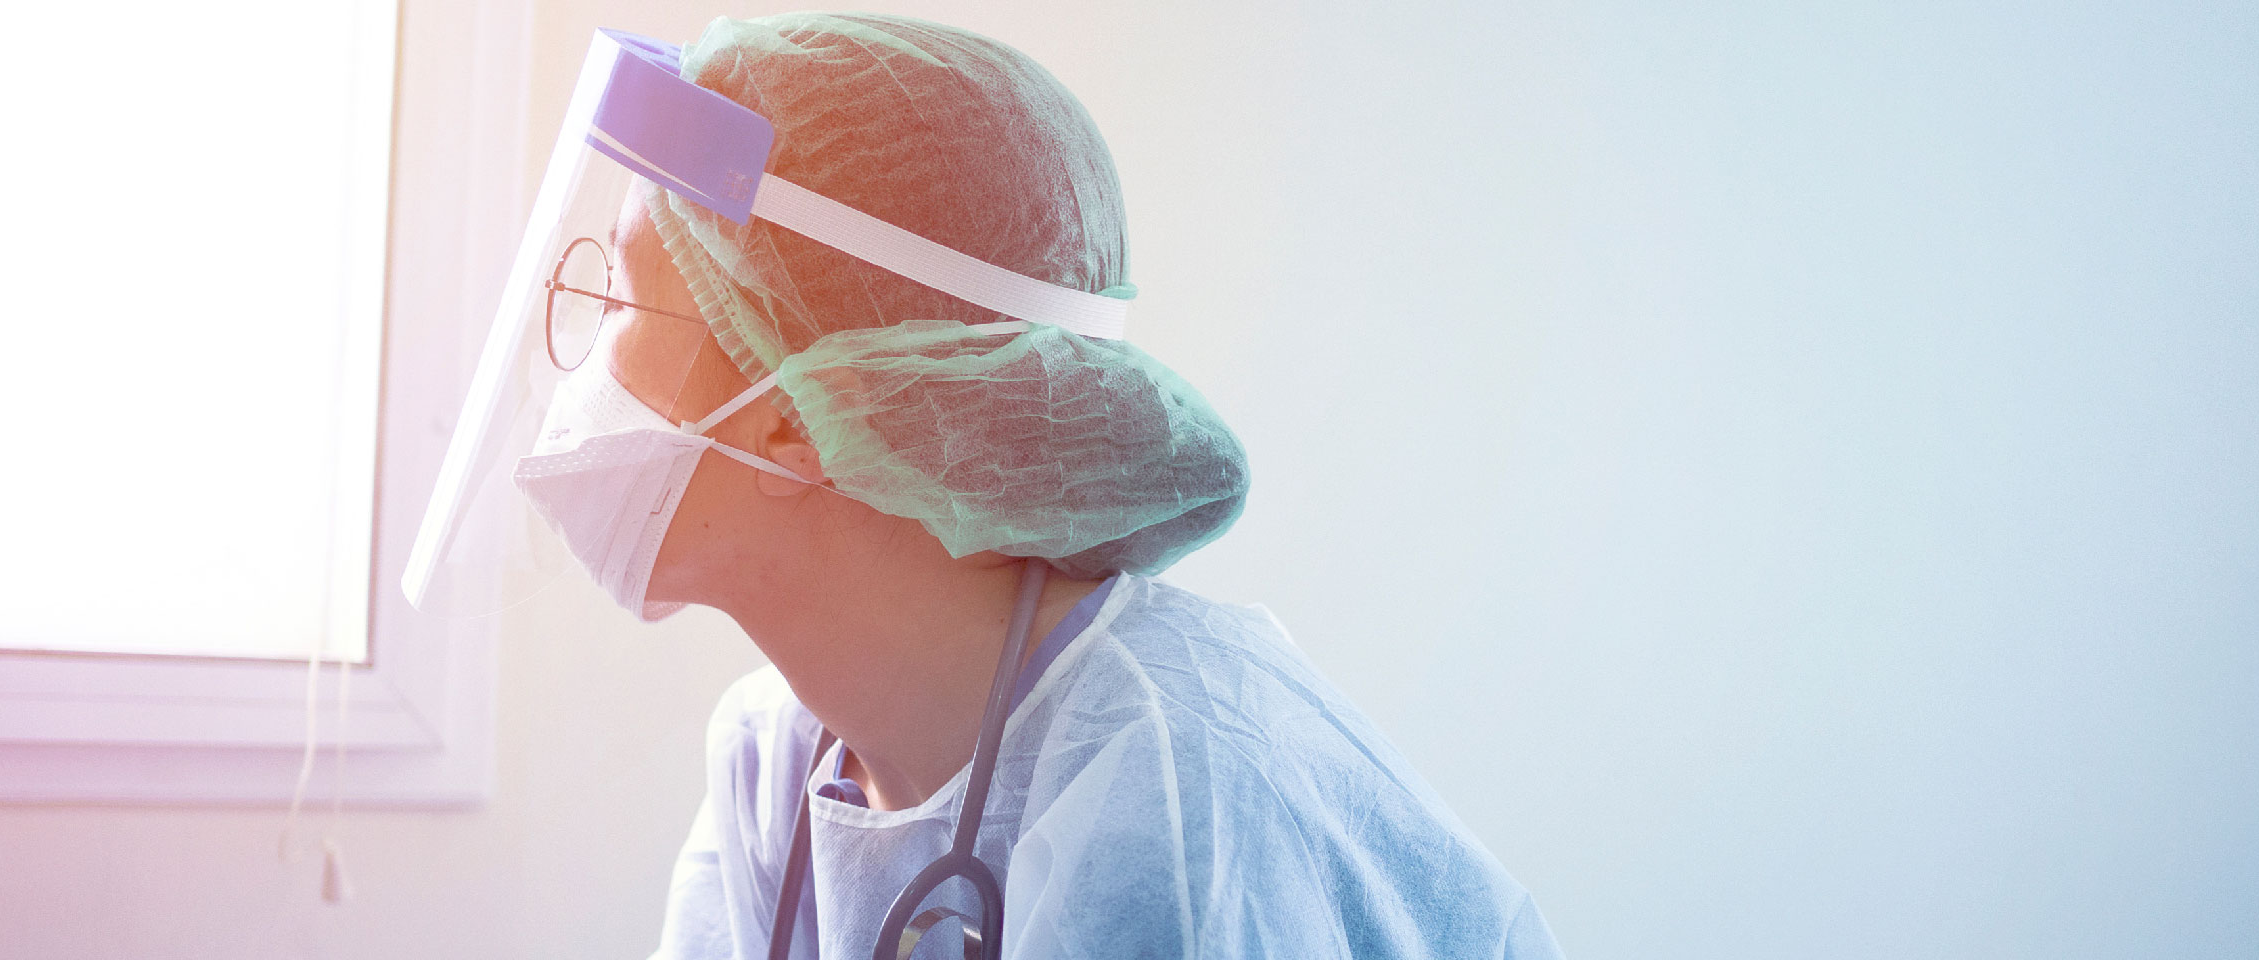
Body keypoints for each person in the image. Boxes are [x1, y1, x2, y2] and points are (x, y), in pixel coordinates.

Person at [555, 13, 1559, 959]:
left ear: (799, 415)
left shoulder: (1174, 786)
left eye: (622, 301)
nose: (581, 361)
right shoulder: (773, 758)